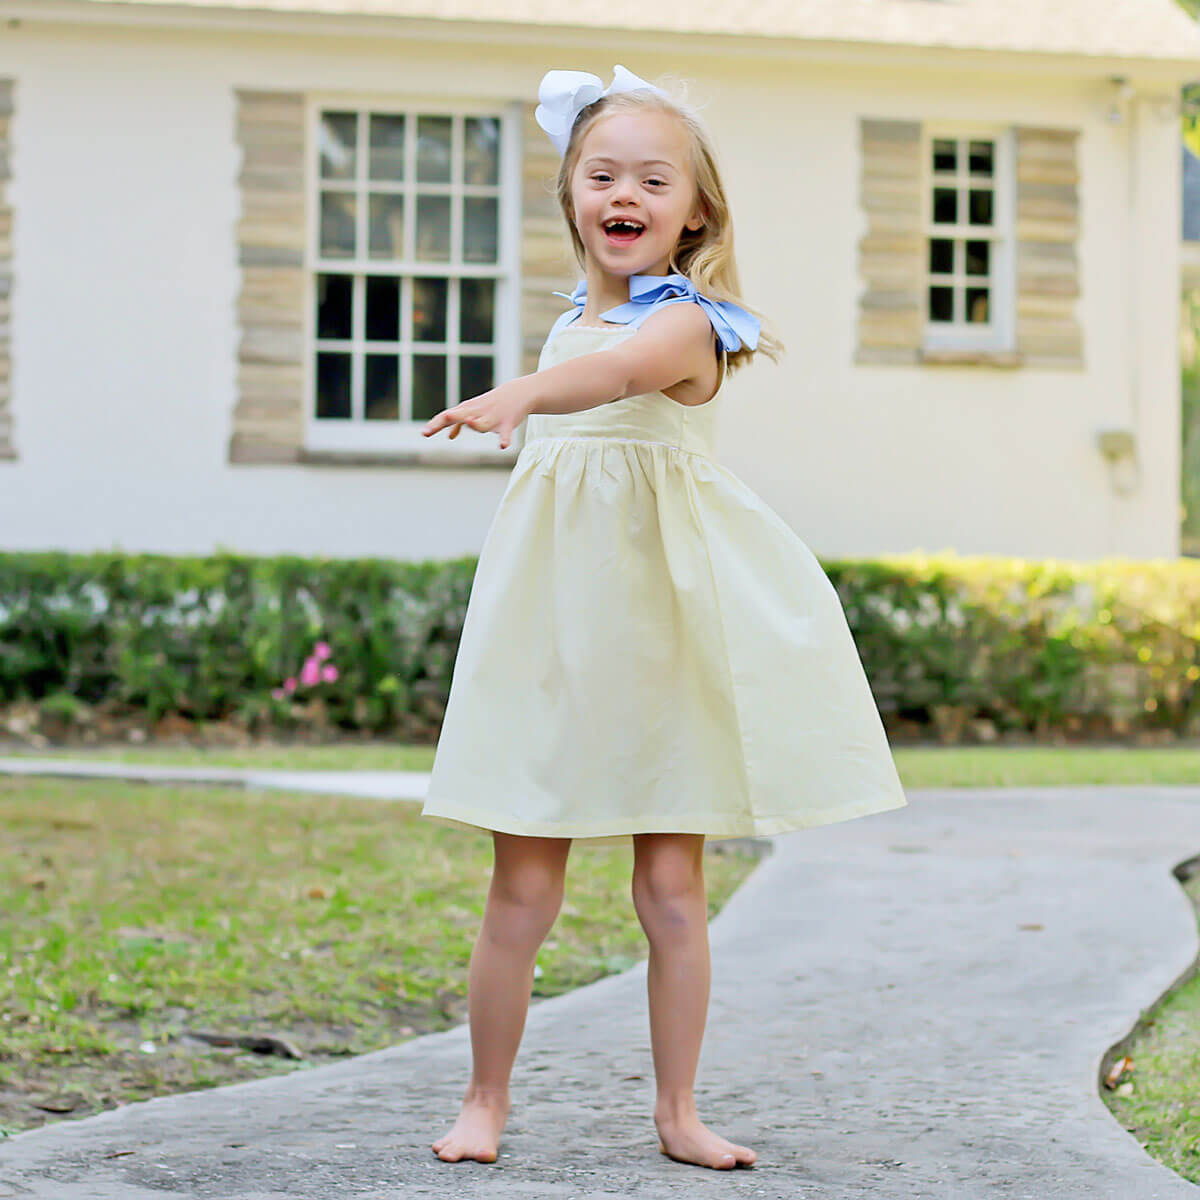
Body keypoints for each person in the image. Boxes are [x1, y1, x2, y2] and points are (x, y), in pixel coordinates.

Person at [418, 63, 908, 1171]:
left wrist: (522, 395)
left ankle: (678, 1111)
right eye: (603, 174)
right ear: (572, 198)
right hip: (552, 637)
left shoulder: (688, 327)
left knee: (671, 886)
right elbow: (584, 370)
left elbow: (621, 373)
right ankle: (484, 1101)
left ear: (696, 212)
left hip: (658, 643)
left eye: (652, 178)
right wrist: (531, 385)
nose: (623, 193)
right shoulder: (563, 327)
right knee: (522, 884)